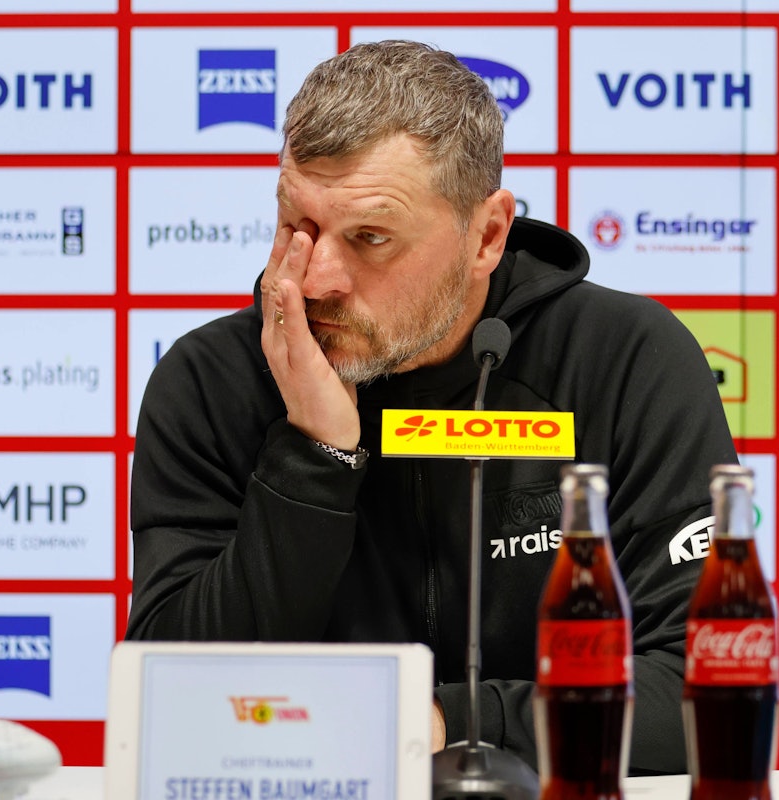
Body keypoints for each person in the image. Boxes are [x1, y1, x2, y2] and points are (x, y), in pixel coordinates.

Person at [127, 39, 737, 775]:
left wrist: (442, 720)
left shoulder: (624, 359)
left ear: (485, 236)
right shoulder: (211, 380)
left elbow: (706, 692)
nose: (315, 278)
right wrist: (313, 454)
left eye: (369, 238)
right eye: (298, 226)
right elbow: (172, 702)